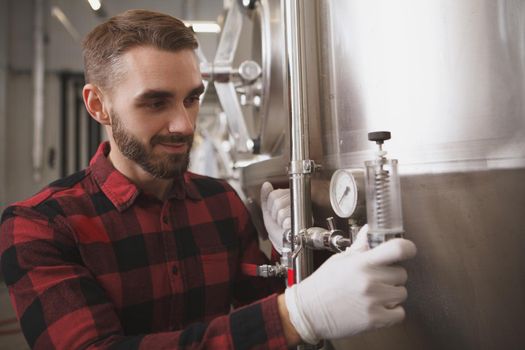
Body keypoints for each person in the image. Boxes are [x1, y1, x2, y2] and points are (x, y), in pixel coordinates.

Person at [0, 9, 416, 349]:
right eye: (156, 102)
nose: (183, 124)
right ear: (98, 105)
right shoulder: (39, 226)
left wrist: (287, 262)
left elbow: (270, 321)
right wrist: (299, 314)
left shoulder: (219, 202)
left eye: (192, 98)